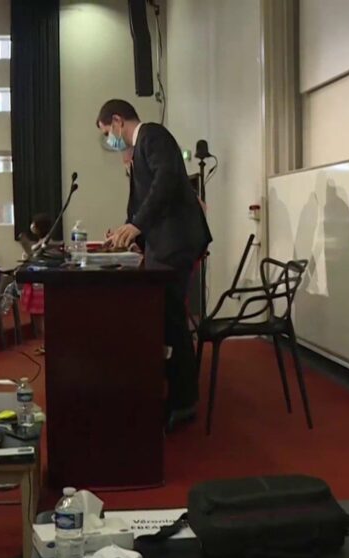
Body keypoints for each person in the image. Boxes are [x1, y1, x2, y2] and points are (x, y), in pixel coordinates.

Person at [97, 99, 212, 430]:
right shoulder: (141, 148)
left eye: (106, 132)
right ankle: (175, 395)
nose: (109, 140)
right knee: (167, 317)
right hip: (165, 243)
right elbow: (144, 203)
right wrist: (126, 231)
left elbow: (166, 183)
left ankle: (184, 402)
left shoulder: (153, 135)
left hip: (176, 242)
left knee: (171, 318)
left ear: (117, 121)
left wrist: (137, 225)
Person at [19, 213, 53, 340]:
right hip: (34, 283)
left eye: (34, 224)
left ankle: (44, 342)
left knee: (41, 318)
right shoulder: (39, 243)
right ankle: (41, 341)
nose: (32, 226)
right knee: (36, 318)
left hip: (40, 285)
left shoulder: (47, 243)